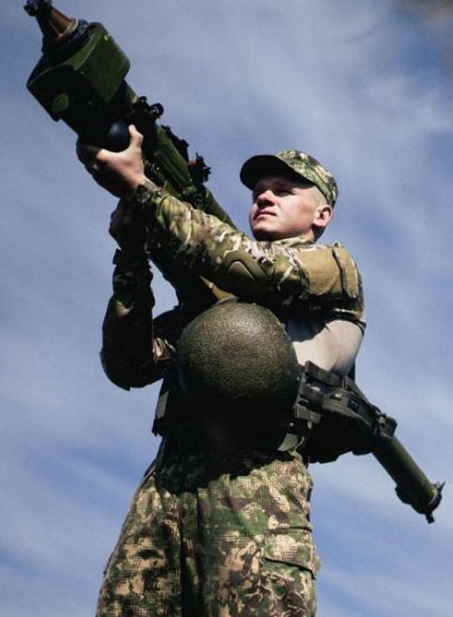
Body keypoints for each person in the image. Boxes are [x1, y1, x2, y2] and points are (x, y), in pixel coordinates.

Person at [82, 125, 364, 615]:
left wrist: (143, 192)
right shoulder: (218, 301)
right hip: (167, 486)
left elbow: (257, 268)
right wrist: (131, 256)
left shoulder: (333, 267)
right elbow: (129, 364)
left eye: (283, 191)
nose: (264, 199)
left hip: (257, 484)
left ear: (322, 214)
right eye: (257, 193)